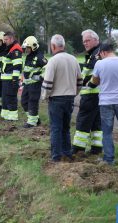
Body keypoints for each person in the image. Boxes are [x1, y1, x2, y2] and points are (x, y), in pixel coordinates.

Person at [41, 34, 83, 162]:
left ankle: (56, 156)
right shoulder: (73, 59)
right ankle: (67, 152)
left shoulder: (53, 61)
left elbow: (48, 83)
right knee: (66, 127)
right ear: (63, 45)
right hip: (69, 98)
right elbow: (80, 81)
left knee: (55, 128)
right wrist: (74, 93)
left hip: (56, 99)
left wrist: (44, 96)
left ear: (53, 46)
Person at [72, 29, 103, 158]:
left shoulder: (96, 55)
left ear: (96, 40)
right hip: (97, 96)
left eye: (88, 40)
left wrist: (84, 84)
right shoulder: (95, 53)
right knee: (96, 123)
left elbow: (93, 74)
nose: (85, 43)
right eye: (84, 41)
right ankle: (96, 148)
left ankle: (78, 149)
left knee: (83, 121)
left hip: (91, 95)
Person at [21, 36, 47, 128]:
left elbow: (47, 68)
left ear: (33, 47)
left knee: (32, 102)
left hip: (35, 84)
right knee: (24, 101)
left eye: (28, 48)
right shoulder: (29, 57)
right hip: (28, 84)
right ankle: (35, 119)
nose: (26, 50)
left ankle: (32, 122)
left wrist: (40, 77)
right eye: (26, 48)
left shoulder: (39, 57)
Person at [1, 31, 23, 121]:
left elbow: (17, 66)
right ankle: (6, 115)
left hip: (11, 79)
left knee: (11, 97)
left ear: (11, 39)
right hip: (6, 79)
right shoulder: (10, 48)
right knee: (6, 97)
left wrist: (15, 80)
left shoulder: (16, 49)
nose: (4, 41)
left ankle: (13, 117)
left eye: (6, 39)